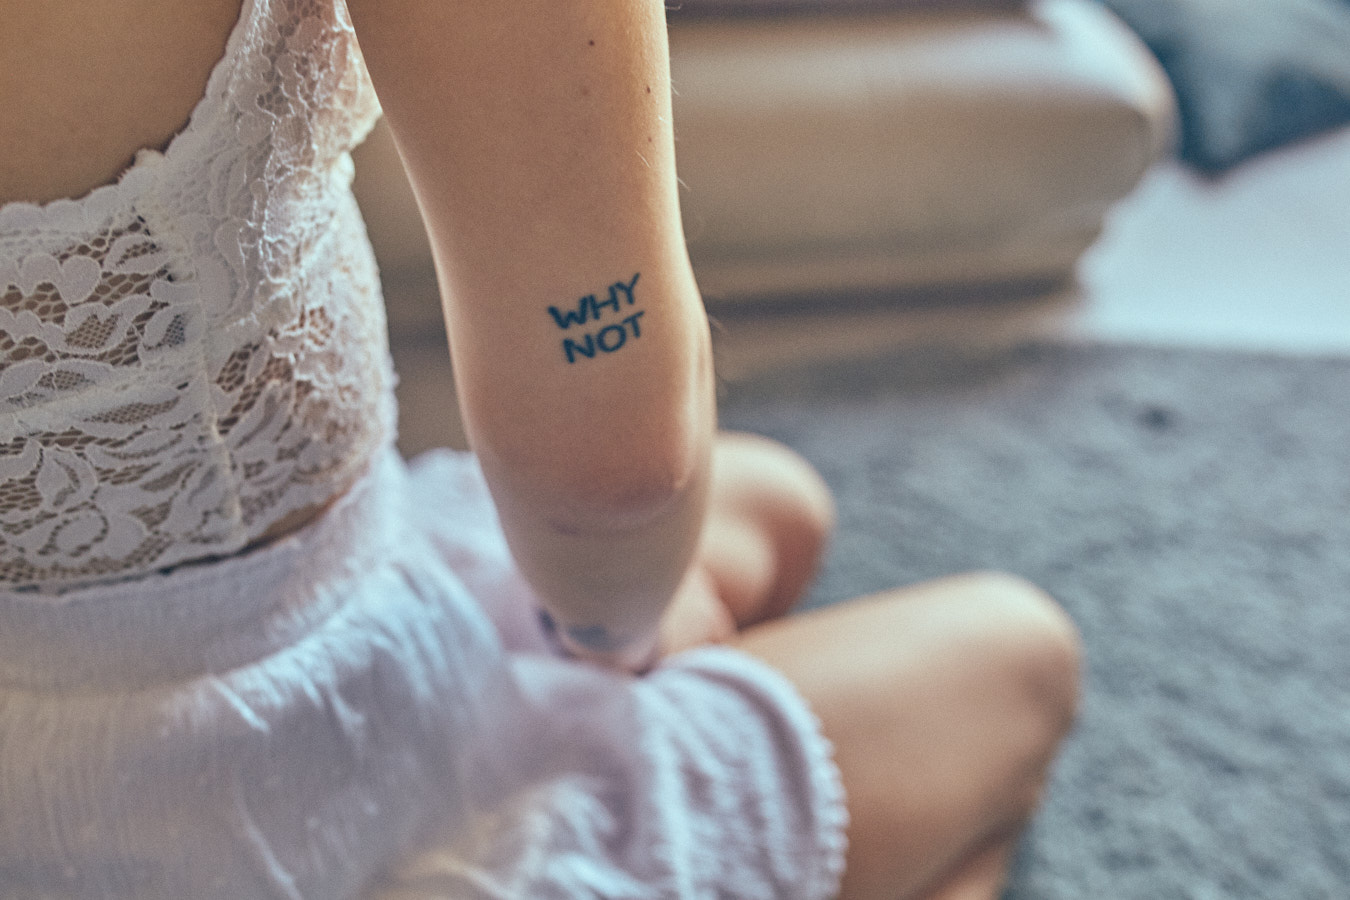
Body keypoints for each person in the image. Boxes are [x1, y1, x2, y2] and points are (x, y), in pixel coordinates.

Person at [0, 0, 1081, 897]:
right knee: (1019, 660)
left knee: (776, 507)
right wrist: (610, 632)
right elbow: (614, 475)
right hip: (262, 779)